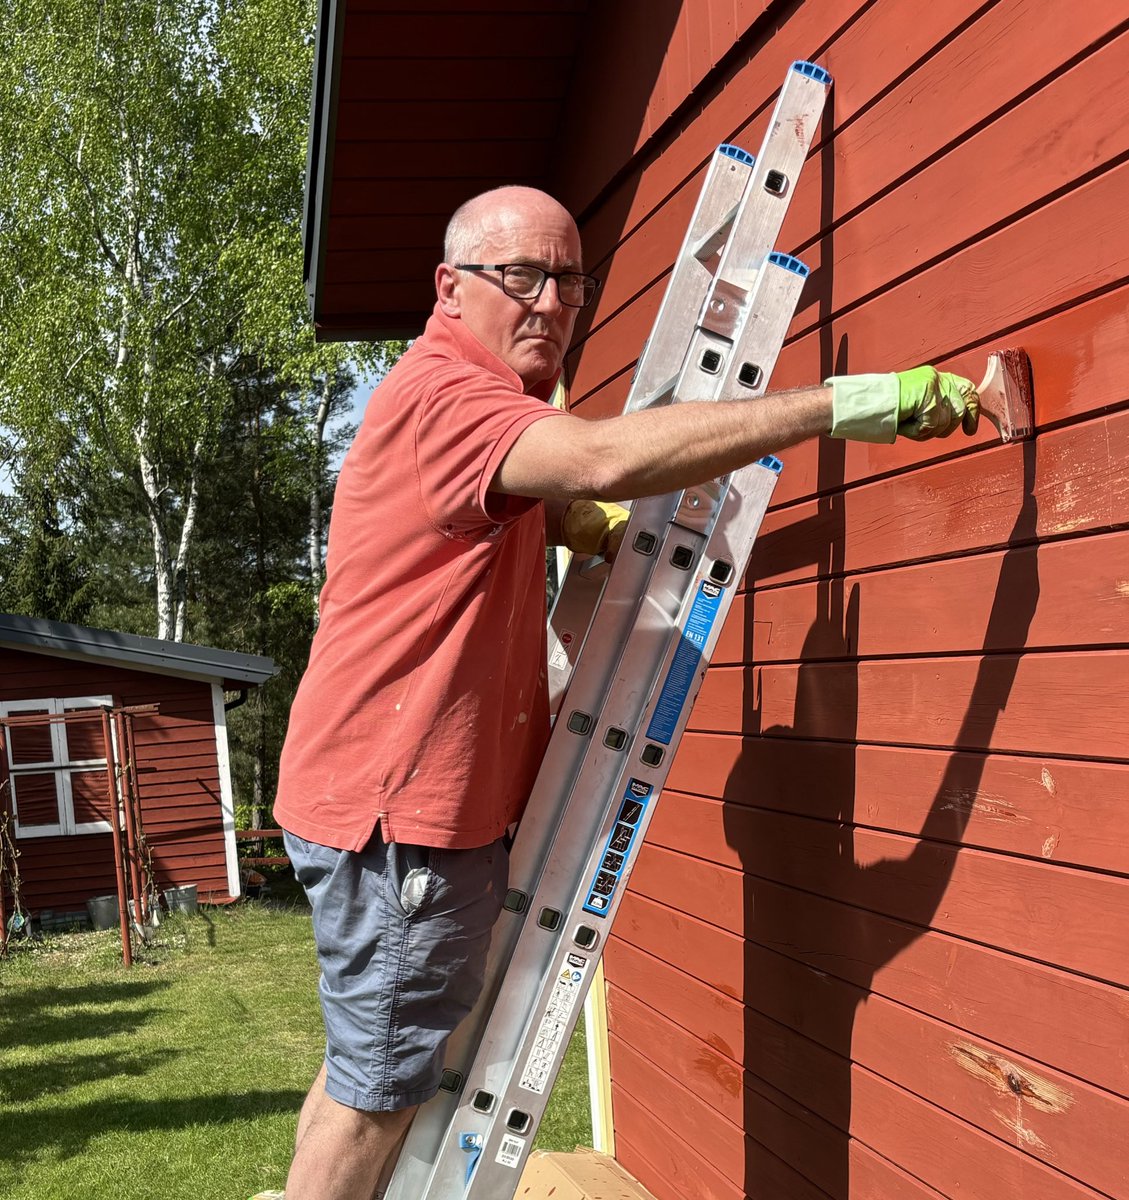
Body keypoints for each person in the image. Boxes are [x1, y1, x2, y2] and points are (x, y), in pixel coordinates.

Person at [265, 186, 978, 1200]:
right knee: (376, 1093)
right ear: (449, 286)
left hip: (379, 800)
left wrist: (577, 527)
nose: (550, 302)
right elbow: (596, 455)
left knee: (369, 1068)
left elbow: (515, 499)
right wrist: (839, 404)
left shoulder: (457, 394)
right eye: (520, 276)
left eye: (569, 280)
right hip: (406, 822)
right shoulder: (451, 400)